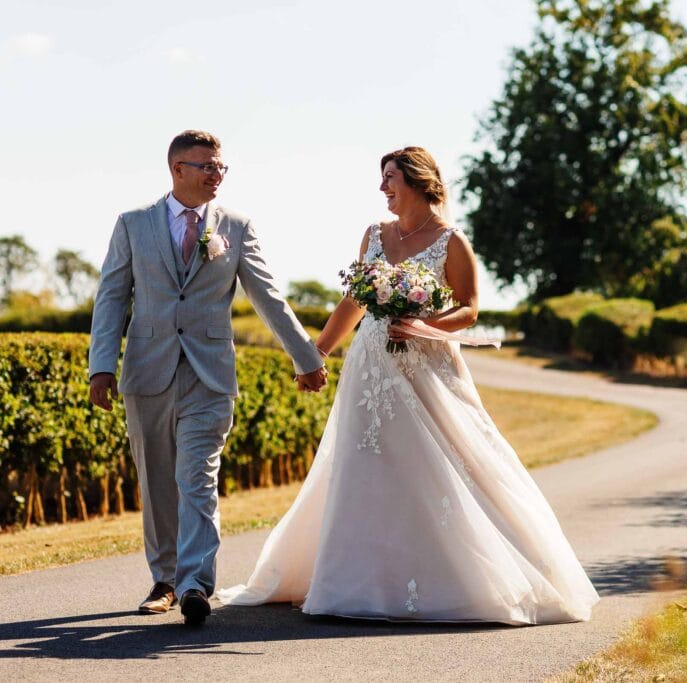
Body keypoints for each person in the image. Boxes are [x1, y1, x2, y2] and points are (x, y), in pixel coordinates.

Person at [218, 147, 599, 624]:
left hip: (427, 367)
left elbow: (469, 308)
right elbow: (353, 301)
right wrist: (315, 354)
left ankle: (452, 579)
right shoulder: (374, 235)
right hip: (371, 365)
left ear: (417, 181)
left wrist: (424, 325)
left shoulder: (451, 241)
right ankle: (357, 581)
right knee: (365, 460)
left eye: (390, 177)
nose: (383, 188)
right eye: (381, 179)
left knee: (440, 462)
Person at [88, 130, 328, 626]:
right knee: (157, 480)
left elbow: (267, 295)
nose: (216, 174)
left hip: (210, 375)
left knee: (196, 477)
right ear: (177, 169)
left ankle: (196, 583)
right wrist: (101, 367)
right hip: (146, 373)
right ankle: (165, 580)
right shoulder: (133, 225)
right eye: (207, 167)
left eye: (221, 167)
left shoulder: (236, 227)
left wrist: (306, 356)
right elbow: (112, 296)